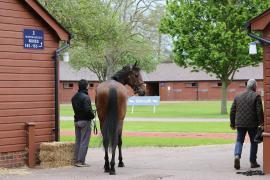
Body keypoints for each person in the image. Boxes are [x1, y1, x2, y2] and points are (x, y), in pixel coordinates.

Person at [230, 79, 264, 170]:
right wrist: (262, 123)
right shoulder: (256, 96)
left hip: (240, 123)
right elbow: (259, 111)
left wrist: (232, 123)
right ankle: (253, 162)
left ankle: (237, 155)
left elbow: (232, 110)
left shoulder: (238, 96)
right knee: (254, 142)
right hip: (252, 124)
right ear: (254, 87)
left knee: (239, 140)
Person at [71, 79, 95, 167]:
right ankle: (80, 161)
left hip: (76, 121)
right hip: (85, 121)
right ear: (86, 86)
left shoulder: (74, 97)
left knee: (78, 141)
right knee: (84, 141)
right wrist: (92, 116)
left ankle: (76, 159)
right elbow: (87, 111)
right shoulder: (86, 97)